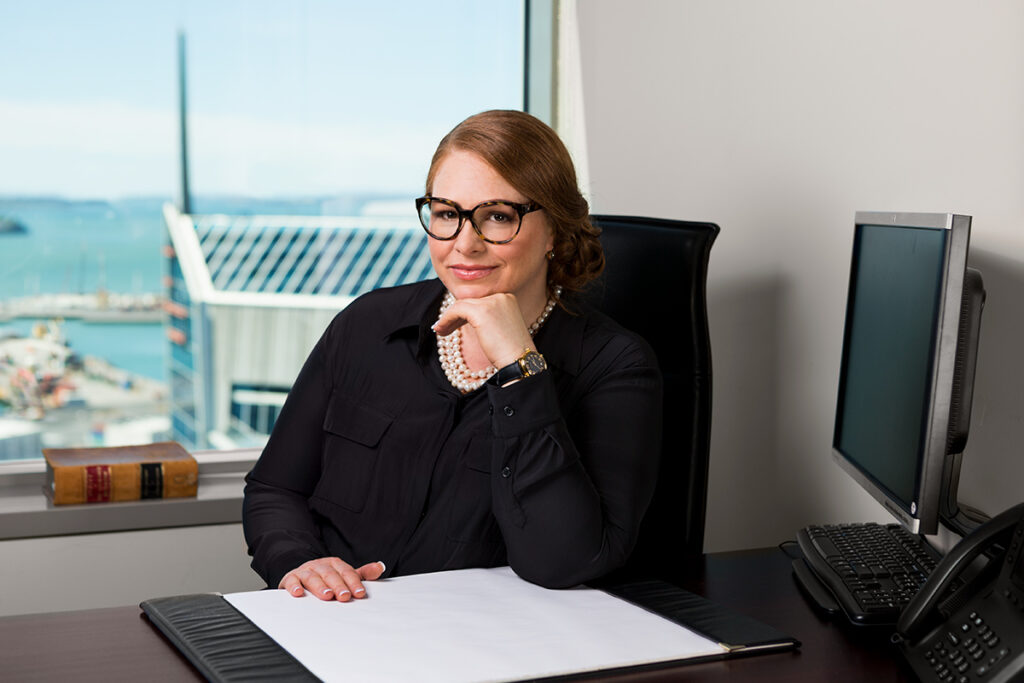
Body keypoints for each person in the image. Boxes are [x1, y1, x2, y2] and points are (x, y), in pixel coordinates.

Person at [242, 109, 662, 602]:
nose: (465, 244)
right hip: (334, 628)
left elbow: (566, 561)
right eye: (446, 214)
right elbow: (274, 489)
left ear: (557, 232)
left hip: (489, 650)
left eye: (498, 217)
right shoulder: (366, 325)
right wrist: (300, 561)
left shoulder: (615, 367)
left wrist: (519, 368)